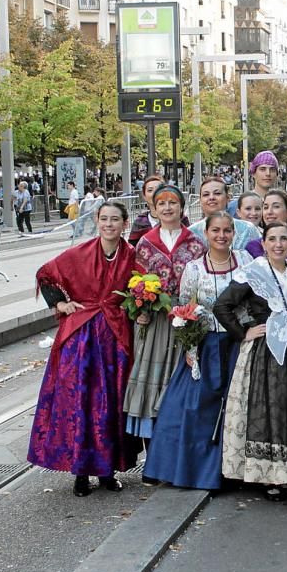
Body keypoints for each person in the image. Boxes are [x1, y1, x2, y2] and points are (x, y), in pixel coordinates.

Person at [29, 201, 141, 497]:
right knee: (81, 402)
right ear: (97, 222)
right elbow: (46, 273)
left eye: (115, 220)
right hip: (81, 339)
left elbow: (143, 289)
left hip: (116, 338)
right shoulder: (80, 253)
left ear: (124, 224)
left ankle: (107, 471)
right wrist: (61, 304)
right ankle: (80, 472)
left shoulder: (132, 256)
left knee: (112, 404)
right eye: (104, 219)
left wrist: (139, 306)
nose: (109, 225)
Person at [214, 221, 287, 496]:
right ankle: (270, 475)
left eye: (284, 239)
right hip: (266, 351)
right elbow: (222, 306)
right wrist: (244, 331)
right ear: (264, 244)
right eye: (273, 239)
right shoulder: (253, 272)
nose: (278, 244)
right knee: (271, 406)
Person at [141, 212, 253, 491]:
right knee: (194, 407)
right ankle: (195, 470)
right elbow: (182, 307)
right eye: (216, 230)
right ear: (206, 233)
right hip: (206, 343)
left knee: (237, 405)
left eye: (227, 231)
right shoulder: (194, 268)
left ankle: (235, 470)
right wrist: (190, 346)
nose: (221, 236)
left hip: (238, 341)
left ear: (233, 234)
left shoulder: (246, 262)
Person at [122, 184, 207, 449]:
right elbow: (136, 282)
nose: (167, 208)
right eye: (161, 204)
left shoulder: (196, 243)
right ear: (154, 209)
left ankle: (179, 450)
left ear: (182, 207)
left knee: (181, 380)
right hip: (156, 321)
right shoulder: (145, 243)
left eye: (173, 203)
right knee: (152, 379)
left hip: (186, 320)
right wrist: (140, 311)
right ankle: (153, 452)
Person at [191, 177, 257, 250]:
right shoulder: (191, 233)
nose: (211, 197)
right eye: (206, 194)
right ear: (200, 200)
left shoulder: (247, 230)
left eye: (217, 193)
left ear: (228, 198)